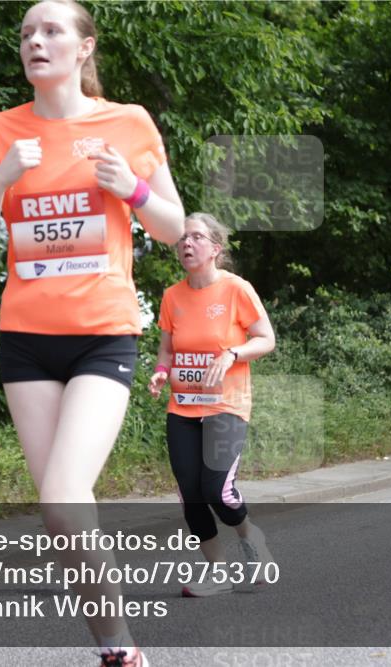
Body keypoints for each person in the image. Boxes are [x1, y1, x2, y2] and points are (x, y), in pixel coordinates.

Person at [0, 2, 184, 664]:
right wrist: (0, 180)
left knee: (61, 496)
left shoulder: (128, 123)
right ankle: (120, 650)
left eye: (52, 30)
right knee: (63, 514)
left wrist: (134, 189)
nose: (35, 40)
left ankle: (119, 650)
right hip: (25, 340)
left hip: (102, 335)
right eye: (27, 32)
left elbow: (174, 227)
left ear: (84, 49)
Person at [148, 213, 276, 597]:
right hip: (183, 407)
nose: (186, 243)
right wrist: (160, 371)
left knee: (217, 490)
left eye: (196, 237)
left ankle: (252, 539)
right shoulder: (172, 296)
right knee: (191, 495)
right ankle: (217, 573)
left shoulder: (237, 289)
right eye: (182, 238)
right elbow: (167, 348)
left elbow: (266, 338)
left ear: (215, 249)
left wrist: (232, 354)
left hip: (226, 406)